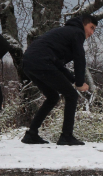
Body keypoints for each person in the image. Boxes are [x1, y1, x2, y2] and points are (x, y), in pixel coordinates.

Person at [21, 14, 97, 145]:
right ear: (84, 24)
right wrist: (79, 83)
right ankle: (66, 136)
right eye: (91, 27)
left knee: (52, 97)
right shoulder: (77, 32)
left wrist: (73, 80)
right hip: (42, 62)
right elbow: (80, 58)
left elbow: (57, 64)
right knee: (71, 95)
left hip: (28, 63)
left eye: (94, 30)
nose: (92, 32)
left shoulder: (64, 33)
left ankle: (31, 134)